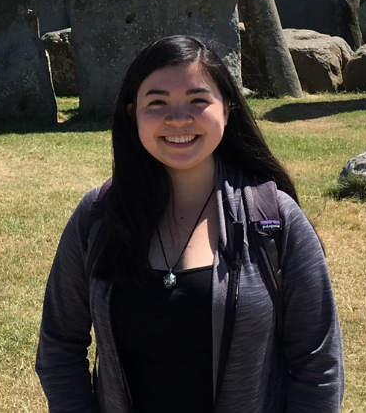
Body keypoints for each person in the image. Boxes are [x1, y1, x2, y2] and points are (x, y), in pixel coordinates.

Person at [36, 35, 343, 413]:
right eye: (157, 102)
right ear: (132, 113)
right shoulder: (98, 217)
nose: (178, 119)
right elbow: (59, 347)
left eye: (198, 101)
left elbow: (318, 364)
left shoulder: (275, 221)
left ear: (227, 110)